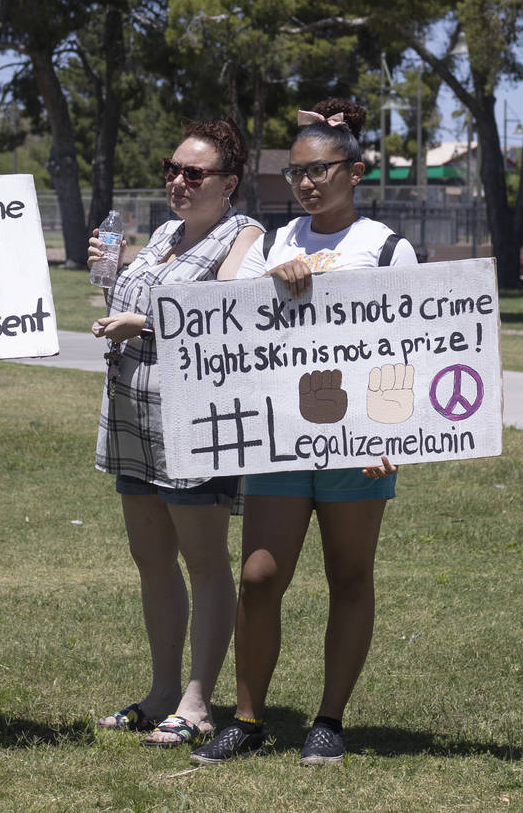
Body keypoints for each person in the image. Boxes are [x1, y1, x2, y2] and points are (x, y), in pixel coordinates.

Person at [191, 98, 417, 767]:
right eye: (296, 174)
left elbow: (407, 344)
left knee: (350, 576)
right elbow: (230, 317)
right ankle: (248, 717)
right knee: (260, 577)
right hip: (281, 434)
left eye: (320, 170)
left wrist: (391, 436)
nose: (308, 184)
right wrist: (273, 278)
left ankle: (328, 720)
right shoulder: (274, 241)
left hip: (359, 436)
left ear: (354, 170)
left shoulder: (385, 247)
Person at [91, 118, 262, 748]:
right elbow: (129, 303)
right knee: (151, 561)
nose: (178, 181)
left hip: (194, 419)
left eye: (194, 173)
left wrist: (143, 320)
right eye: (172, 168)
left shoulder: (243, 236)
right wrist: (110, 280)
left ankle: (197, 701)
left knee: (204, 562)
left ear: (230, 182)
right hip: (133, 414)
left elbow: (227, 313)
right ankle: (162, 691)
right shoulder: (164, 233)